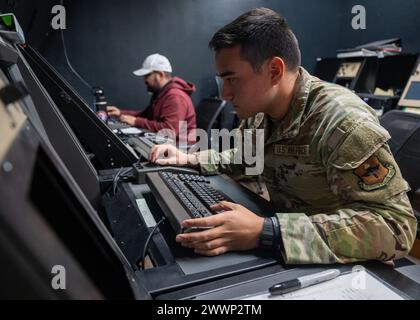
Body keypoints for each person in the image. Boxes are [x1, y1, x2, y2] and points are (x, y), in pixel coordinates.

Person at [149, 8, 417, 264]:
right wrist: (190, 158)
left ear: (274, 71)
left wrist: (267, 232)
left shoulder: (343, 122)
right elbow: (245, 159)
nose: (224, 95)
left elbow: (397, 226)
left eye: (232, 79)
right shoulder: (258, 113)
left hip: (343, 264)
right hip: (287, 246)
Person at [107, 53, 197, 142]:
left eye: (147, 75)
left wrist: (136, 121)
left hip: (182, 151)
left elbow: (170, 131)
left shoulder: (175, 97)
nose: (144, 80)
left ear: (160, 75)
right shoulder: (160, 93)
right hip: (167, 145)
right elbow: (146, 114)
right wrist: (120, 113)